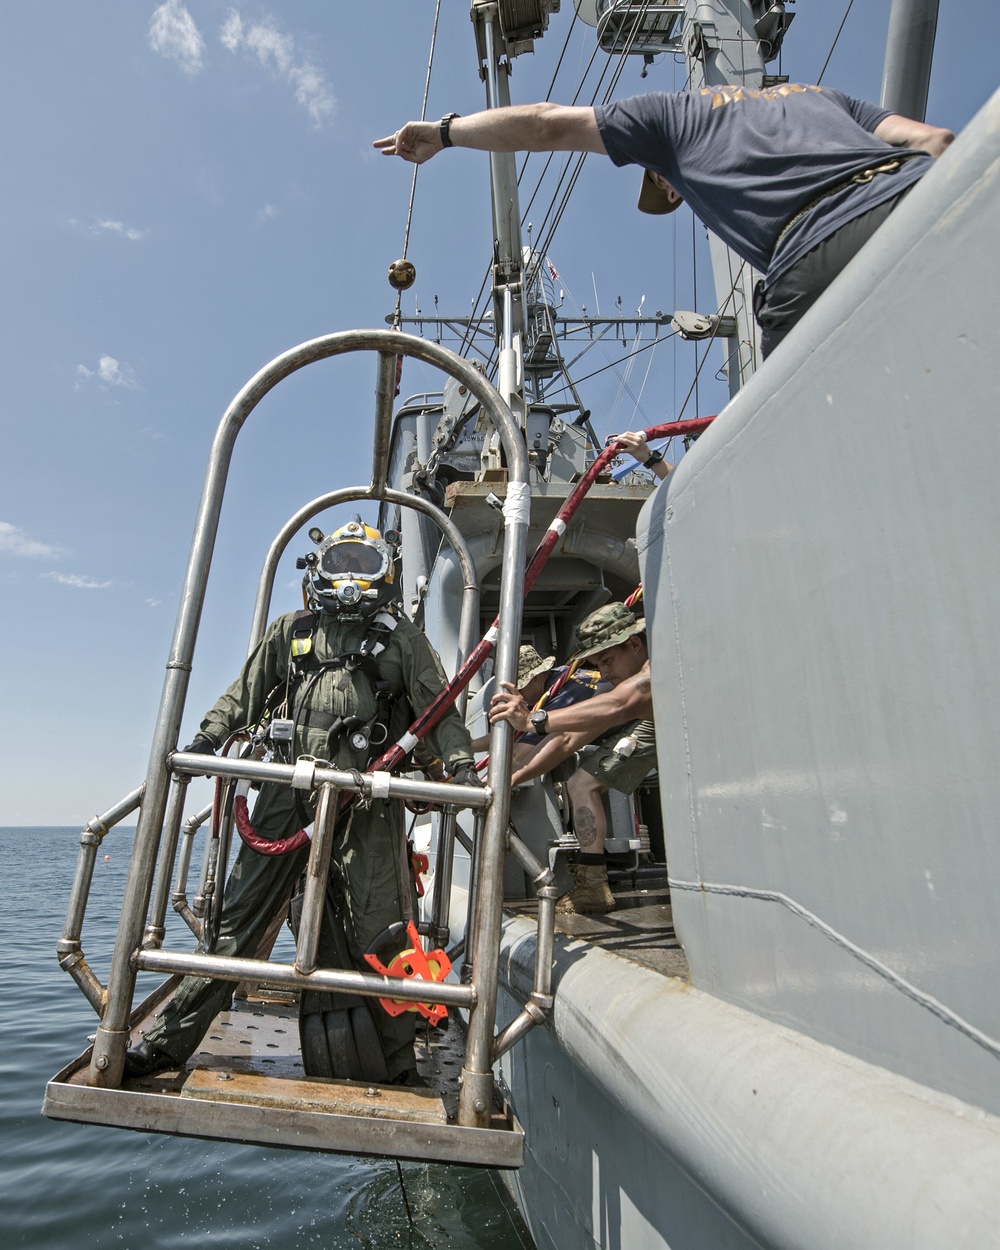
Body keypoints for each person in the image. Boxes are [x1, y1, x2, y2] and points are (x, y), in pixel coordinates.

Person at [124, 517, 477, 1085]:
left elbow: (438, 710)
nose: (351, 580)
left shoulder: (404, 641)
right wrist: (206, 741)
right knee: (236, 922)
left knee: (382, 932)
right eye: (340, 566)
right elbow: (243, 695)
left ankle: (396, 1063)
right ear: (319, 571)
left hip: (368, 803)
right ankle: (167, 1044)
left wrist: (459, 764)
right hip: (287, 795)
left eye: (364, 567)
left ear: (385, 574)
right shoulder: (292, 631)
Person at [375, 85, 953, 356]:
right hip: (919, 191)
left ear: (660, 177)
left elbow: (545, 124)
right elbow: (936, 140)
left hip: (811, 249)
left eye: (667, 191)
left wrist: (445, 132)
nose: (676, 197)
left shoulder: (668, 118)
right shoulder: (826, 99)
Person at [490, 604, 656, 915]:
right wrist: (514, 778)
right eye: (598, 664)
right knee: (582, 783)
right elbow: (567, 739)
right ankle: (592, 885)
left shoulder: (650, 672)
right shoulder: (611, 682)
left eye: (607, 661)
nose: (604, 673)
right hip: (655, 723)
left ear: (634, 645)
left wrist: (531, 721)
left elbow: (619, 705)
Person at [470, 643, 607, 770]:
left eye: (520, 689)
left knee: (581, 787)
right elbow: (512, 730)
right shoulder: (557, 677)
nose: (520, 696)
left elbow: (517, 756)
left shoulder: (563, 696)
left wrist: (476, 788)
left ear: (534, 677)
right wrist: (471, 745)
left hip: (623, 730)